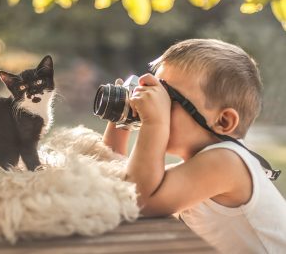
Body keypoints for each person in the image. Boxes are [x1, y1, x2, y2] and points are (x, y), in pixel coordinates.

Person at [102, 39, 286, 253]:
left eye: (168, 98)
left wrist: (156, 122)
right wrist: (122, 118)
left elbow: (139, 201)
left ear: (223, 121)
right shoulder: (197, 169)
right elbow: (119, 186)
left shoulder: (228, 162)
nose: (156, 103)